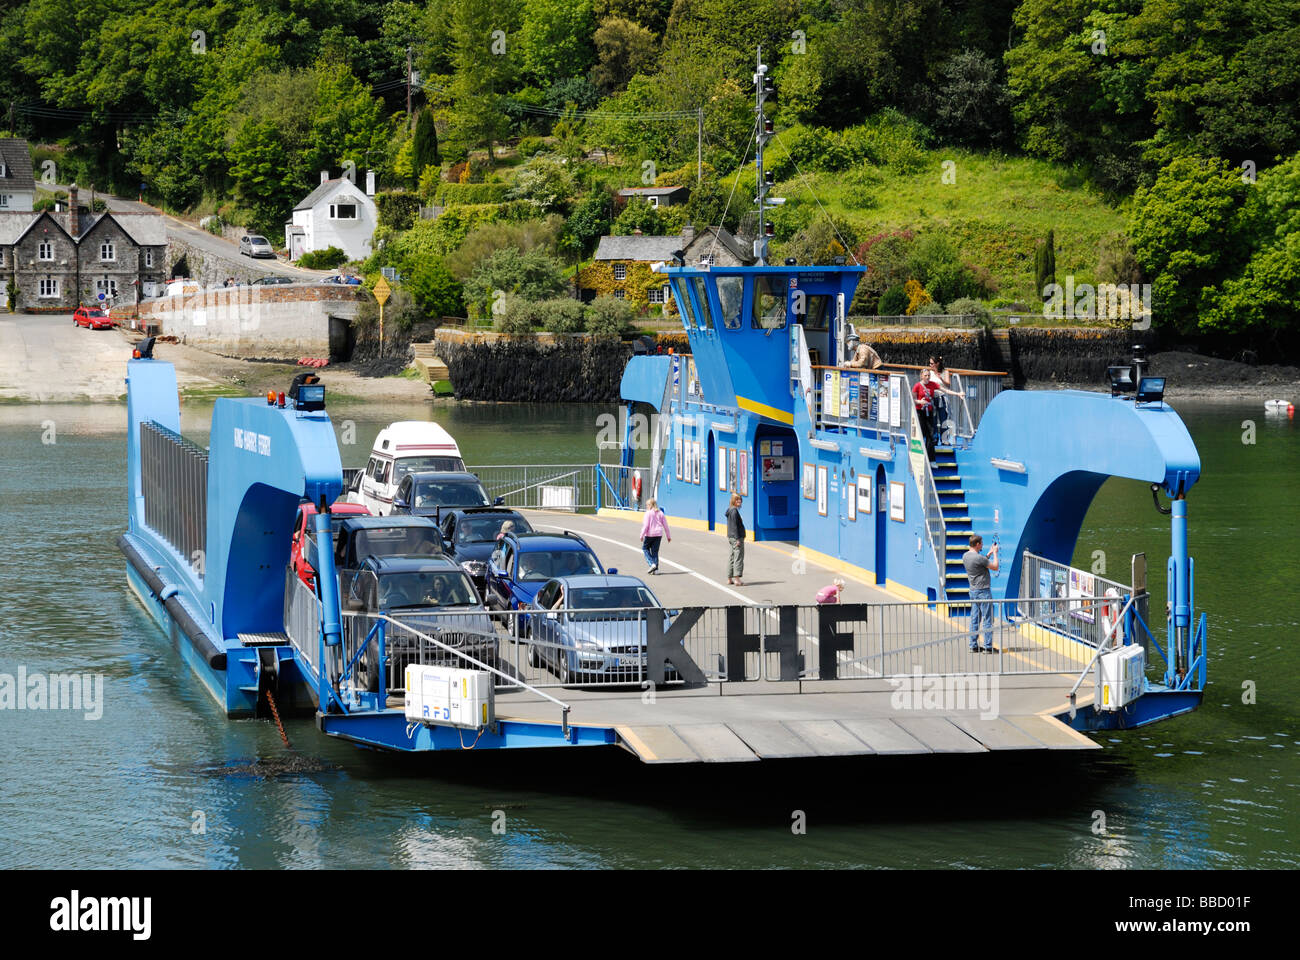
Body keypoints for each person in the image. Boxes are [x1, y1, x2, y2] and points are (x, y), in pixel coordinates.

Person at [963, 534, 1000, 653]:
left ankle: (973, 645)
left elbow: (980, 563)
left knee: (975, 618)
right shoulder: (979, 558)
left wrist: (988, 554)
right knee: (988, 619)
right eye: (982, 543)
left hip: (973, 591)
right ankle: (988, 646)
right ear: (978, 544)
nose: (983, 545)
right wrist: (995, 553)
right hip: (983, 591)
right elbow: (995, 567)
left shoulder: (965, 556)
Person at [926, 356, 962, 445]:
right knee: (933, 419)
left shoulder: (945, 372)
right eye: (930, 363)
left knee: (944, 419)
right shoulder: (929, 373)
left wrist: (940, 378)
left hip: (942, 397)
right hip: (932, 398)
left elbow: (948, 385)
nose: (930, 365)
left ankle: (944, 439)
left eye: (932, 363)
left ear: (937, 363)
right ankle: (934, 439)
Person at [639, 497, 671, 574]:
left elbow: (646, 526)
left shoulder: (648, 513)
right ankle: (656, 570)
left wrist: (641, 535)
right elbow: (666, 526)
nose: (646, 506)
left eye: (647, 505)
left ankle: (652, 564)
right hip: (658, 535)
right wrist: (668, 536)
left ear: (650, 505)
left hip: (649, 535)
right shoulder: (661, 513)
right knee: (655, 552)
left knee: (645, 548)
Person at [912, 376, 939, 464]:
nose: (927, 377)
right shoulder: (917, 385)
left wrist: (958, 394)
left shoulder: (932, 384)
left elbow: (945, 390)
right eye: (925, 375)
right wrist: (920, 402)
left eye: (928, 375)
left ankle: (931, 459)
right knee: (921, 433)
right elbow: (913, 399)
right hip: (920, 411)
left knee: (930, 434)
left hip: (929, 412)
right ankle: (919, 457)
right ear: (921, 376)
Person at [725, 494, 745, 586]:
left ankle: (729, 578)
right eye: (737, 500)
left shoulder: (730, 510)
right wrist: (737, 539)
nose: (739, 501)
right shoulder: (734, 511)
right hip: (736, 537)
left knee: (732, 557)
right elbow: (734, 526)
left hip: (731, 537)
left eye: (740, 500)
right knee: (738, 557)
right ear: (733, 500)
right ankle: (737, 579)